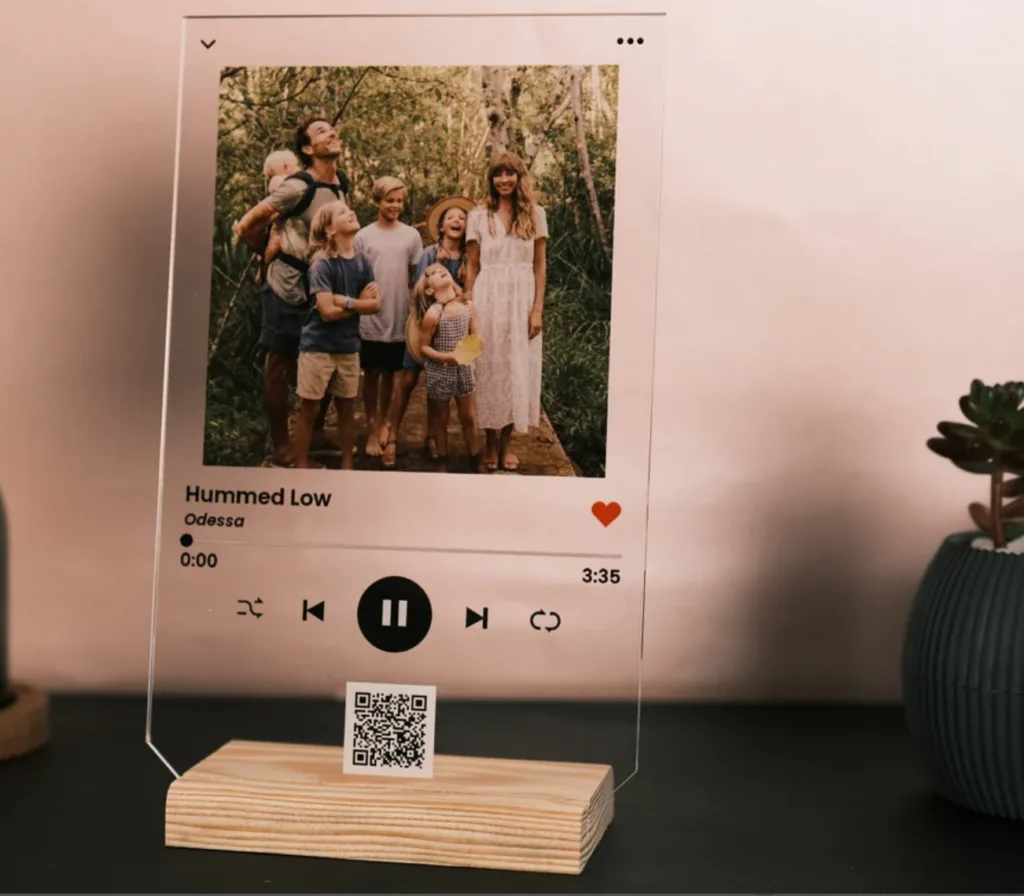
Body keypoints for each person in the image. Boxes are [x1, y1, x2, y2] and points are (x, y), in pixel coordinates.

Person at [234, 117, 350, 467]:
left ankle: (312, 435)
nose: (330, 133)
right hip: (285, 287)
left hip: (321, 288)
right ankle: (282, 447)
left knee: (324, 361)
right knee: (280, 364)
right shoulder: (296, 187)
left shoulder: (340, 183)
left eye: (331, 129)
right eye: (320, 132)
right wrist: (267, 256)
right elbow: (246, 224)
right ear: (306, 149)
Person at [464, 152, 548, 472]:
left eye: (509, 173)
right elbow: (472, 265)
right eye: (498, 174)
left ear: (519, 177)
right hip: (488, 295)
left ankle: (507, 443)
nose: (504, 180)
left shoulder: (536, 214)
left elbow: (540, 265)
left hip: (523, 297)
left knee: (517, 366)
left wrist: (537, 308)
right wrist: (469, 307)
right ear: (491, 179)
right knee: (488, 366)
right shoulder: (478, 215)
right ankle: (489, 441)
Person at [381, 195, 474, 469]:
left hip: (453, 330)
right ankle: (393, 437)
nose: (457, 220)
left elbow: (469, 295)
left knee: (440, 387)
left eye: (462, 217)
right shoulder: (430, 254)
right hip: (424, 323)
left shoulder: (470, 257)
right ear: (441, 227)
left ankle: (433, 436)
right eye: (450, 218)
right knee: (408, 379)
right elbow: (422, 292)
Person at [293, 201, 380, 470]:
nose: (351, 212)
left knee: (346, 407)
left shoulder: (363, 261)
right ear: (330, 230)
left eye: (349, 209)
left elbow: (376, 305)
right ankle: (301, 466)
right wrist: (356, 304)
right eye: (343, 213)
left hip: (348, 347)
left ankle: (346, 465)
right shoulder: (321, 264)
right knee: (309, 408)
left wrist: (345, 301)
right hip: (317, 347)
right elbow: (327, 313)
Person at [353, 176, 423, 457]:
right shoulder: (363, 236)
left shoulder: (411, 235)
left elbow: (416, 278)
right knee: (371, 373)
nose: (395, 205)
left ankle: (385, 423)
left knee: (393, 373)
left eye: (399, 201)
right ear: (377, 201)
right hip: (370, 315)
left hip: (399, 313)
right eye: (389, 200)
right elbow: (355, 276)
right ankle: (372, 427)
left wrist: (416, 315)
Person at [417, 263, 481, 472]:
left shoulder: (468, 306)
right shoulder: (434, 314)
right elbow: (423, 346)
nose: (440, 271)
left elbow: (476, 337)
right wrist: (444, 357)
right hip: (440, 372)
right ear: (429, 290)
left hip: (464, 369)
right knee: (441, 417)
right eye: (433, 273)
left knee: (469, 417)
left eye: (441, 269)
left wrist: (466, 354)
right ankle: (442, 460)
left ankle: (475, 458)